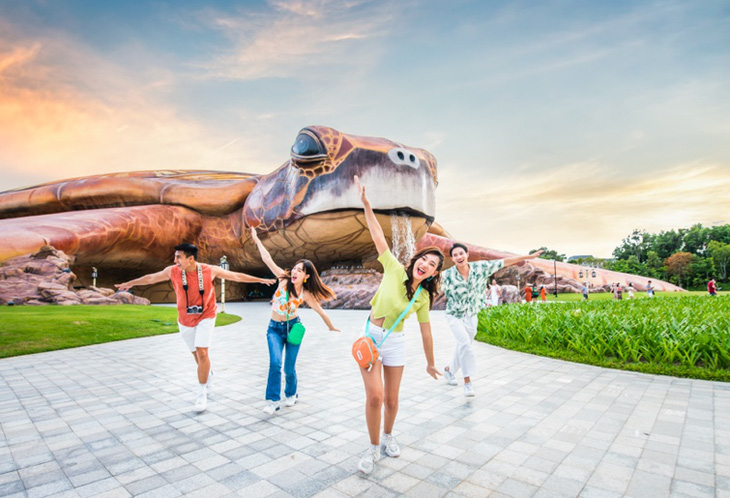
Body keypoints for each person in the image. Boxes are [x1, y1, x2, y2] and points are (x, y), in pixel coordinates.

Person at [116, 242, 276, 412]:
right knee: (197, 355)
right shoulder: (172, 271)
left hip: (206, 316)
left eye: (179, 257)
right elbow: (151, 278)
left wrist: (260, 280)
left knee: (202, 352)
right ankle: (208, 373)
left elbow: (235, 276)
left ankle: (202, 393)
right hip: (184, 320)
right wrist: (130, 283)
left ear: (190, 259)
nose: (175, 260)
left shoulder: (209, 270)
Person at [354, 176, 443, 475]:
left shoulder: (421, 297)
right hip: (371, 338)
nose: (426, 265)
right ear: (416, 259)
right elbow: (377, 234)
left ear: (432, 274)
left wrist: (431, 364)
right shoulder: (393, 268)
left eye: (432, 266)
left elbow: (426, 331)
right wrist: (366, 204)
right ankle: (372, 447)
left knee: (392, 399)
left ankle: (389, 437)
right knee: (375, 397)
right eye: (425, 260)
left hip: (395, 343)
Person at [249, 227, 339, 415]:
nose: (295, 271)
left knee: (289, 368)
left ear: (306, 277)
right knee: (275, 364)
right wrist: (257, 239)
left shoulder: (305, 294)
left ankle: (292, 393)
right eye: (295, 268)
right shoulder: (282, 279)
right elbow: (267, 259)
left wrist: (331, 327)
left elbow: (321, 312)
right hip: (274, 329)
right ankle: (273, 401)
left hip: (292, 330)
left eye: (300, 270)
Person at [442, 244, 542, 398]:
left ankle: (449, 371)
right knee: (464, 343)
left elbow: (504, 261)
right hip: (454, 314)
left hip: (471, 314)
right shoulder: (447, 274)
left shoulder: (481, 267)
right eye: (455, 255)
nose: (459, 257)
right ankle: (467, 382)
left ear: (467, 254)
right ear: (452, 258)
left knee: (465, 344)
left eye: (461, 253)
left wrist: (527, 257)